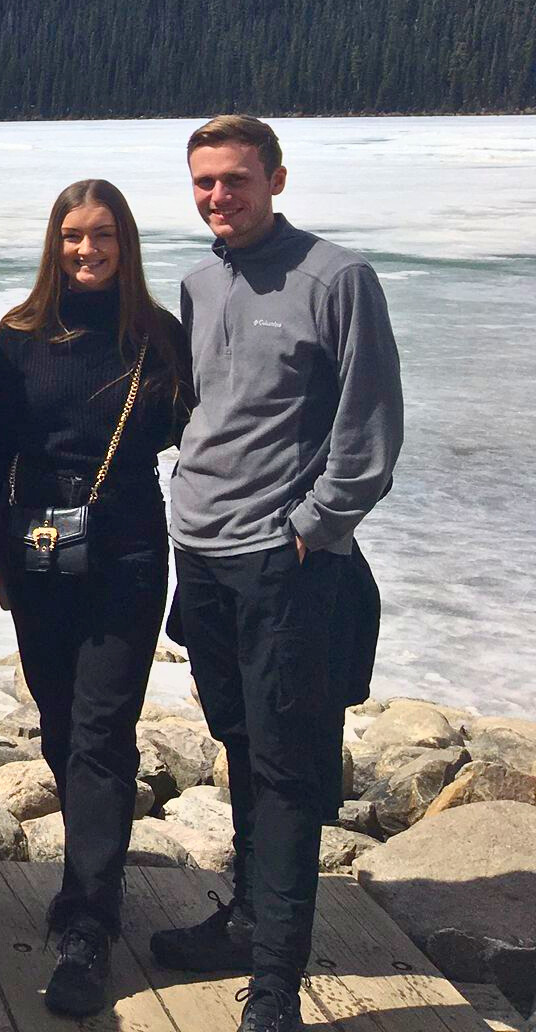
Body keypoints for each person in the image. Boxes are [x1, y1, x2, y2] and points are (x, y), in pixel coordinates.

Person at [149, 117, 402, 1032]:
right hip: (204, 555)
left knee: (290, 768)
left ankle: (275, 987)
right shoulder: (198, 279)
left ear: (276, 179)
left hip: (287, 564)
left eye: (236, 180)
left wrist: (311, 530)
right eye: (204, 183)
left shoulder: (337, 279)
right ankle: (249, 919)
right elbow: (203, 411)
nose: (220, 197)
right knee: (242, 746)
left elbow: (368, 431)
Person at [0, 180, 191, 1018]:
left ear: (125, 242)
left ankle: (89, 922)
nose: (86, 250)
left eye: (101, 235)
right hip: (38, 546)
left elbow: (204, 435)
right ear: (53, 242)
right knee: (63, 725)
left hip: (129, 546)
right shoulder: (22, 333)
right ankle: (92, 872)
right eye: (72, 235)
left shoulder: (157, 336)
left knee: (102, 732)